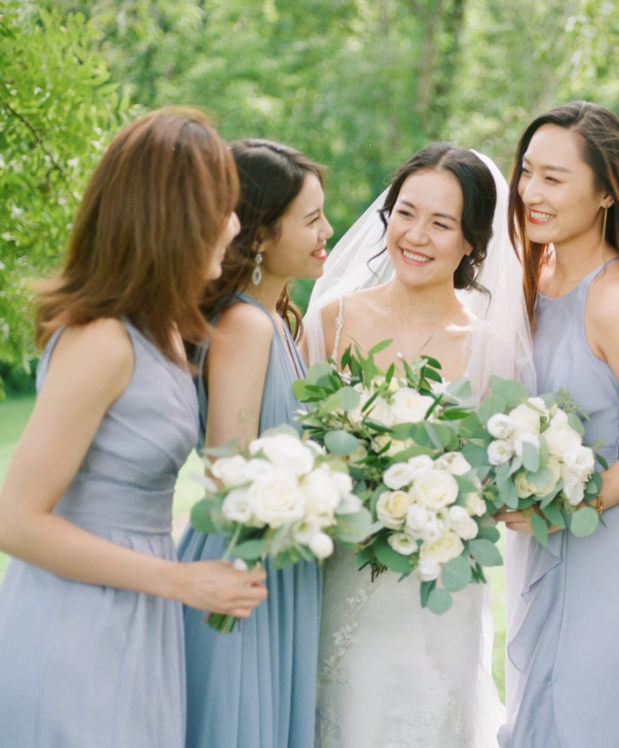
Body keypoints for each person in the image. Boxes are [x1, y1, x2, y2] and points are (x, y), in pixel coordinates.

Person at [0, 108, 266, 747]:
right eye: (221, 207)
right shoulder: (102, 342)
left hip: (140, 612)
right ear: (172, 219)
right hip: (79, 623)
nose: (233, 224)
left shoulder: (168, 330)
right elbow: (14, 520)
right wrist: (180, 580)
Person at [305, 142, 529, 747]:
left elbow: (496, 490)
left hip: (435, 598)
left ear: (472, 243)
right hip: (340, 573)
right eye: (406, 212)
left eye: (442, 223)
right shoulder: (332, 321)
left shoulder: (492, 351)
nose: (417, 235)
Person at [498, 101, 619, 748]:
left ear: (606, 193)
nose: (531, 193)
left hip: (612, 549)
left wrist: (565, 503)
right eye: (527, 173)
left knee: (590, 722)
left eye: (555, 178)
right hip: (540, 544)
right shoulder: (525, 277)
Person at [177, 139, 334, 748]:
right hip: (240, 559)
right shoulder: (245, 324)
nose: (328, 231)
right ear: (260, 236)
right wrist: (317, 492)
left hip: (280, 557)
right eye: (312, 219)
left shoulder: (278, 321)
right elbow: (225, 467)